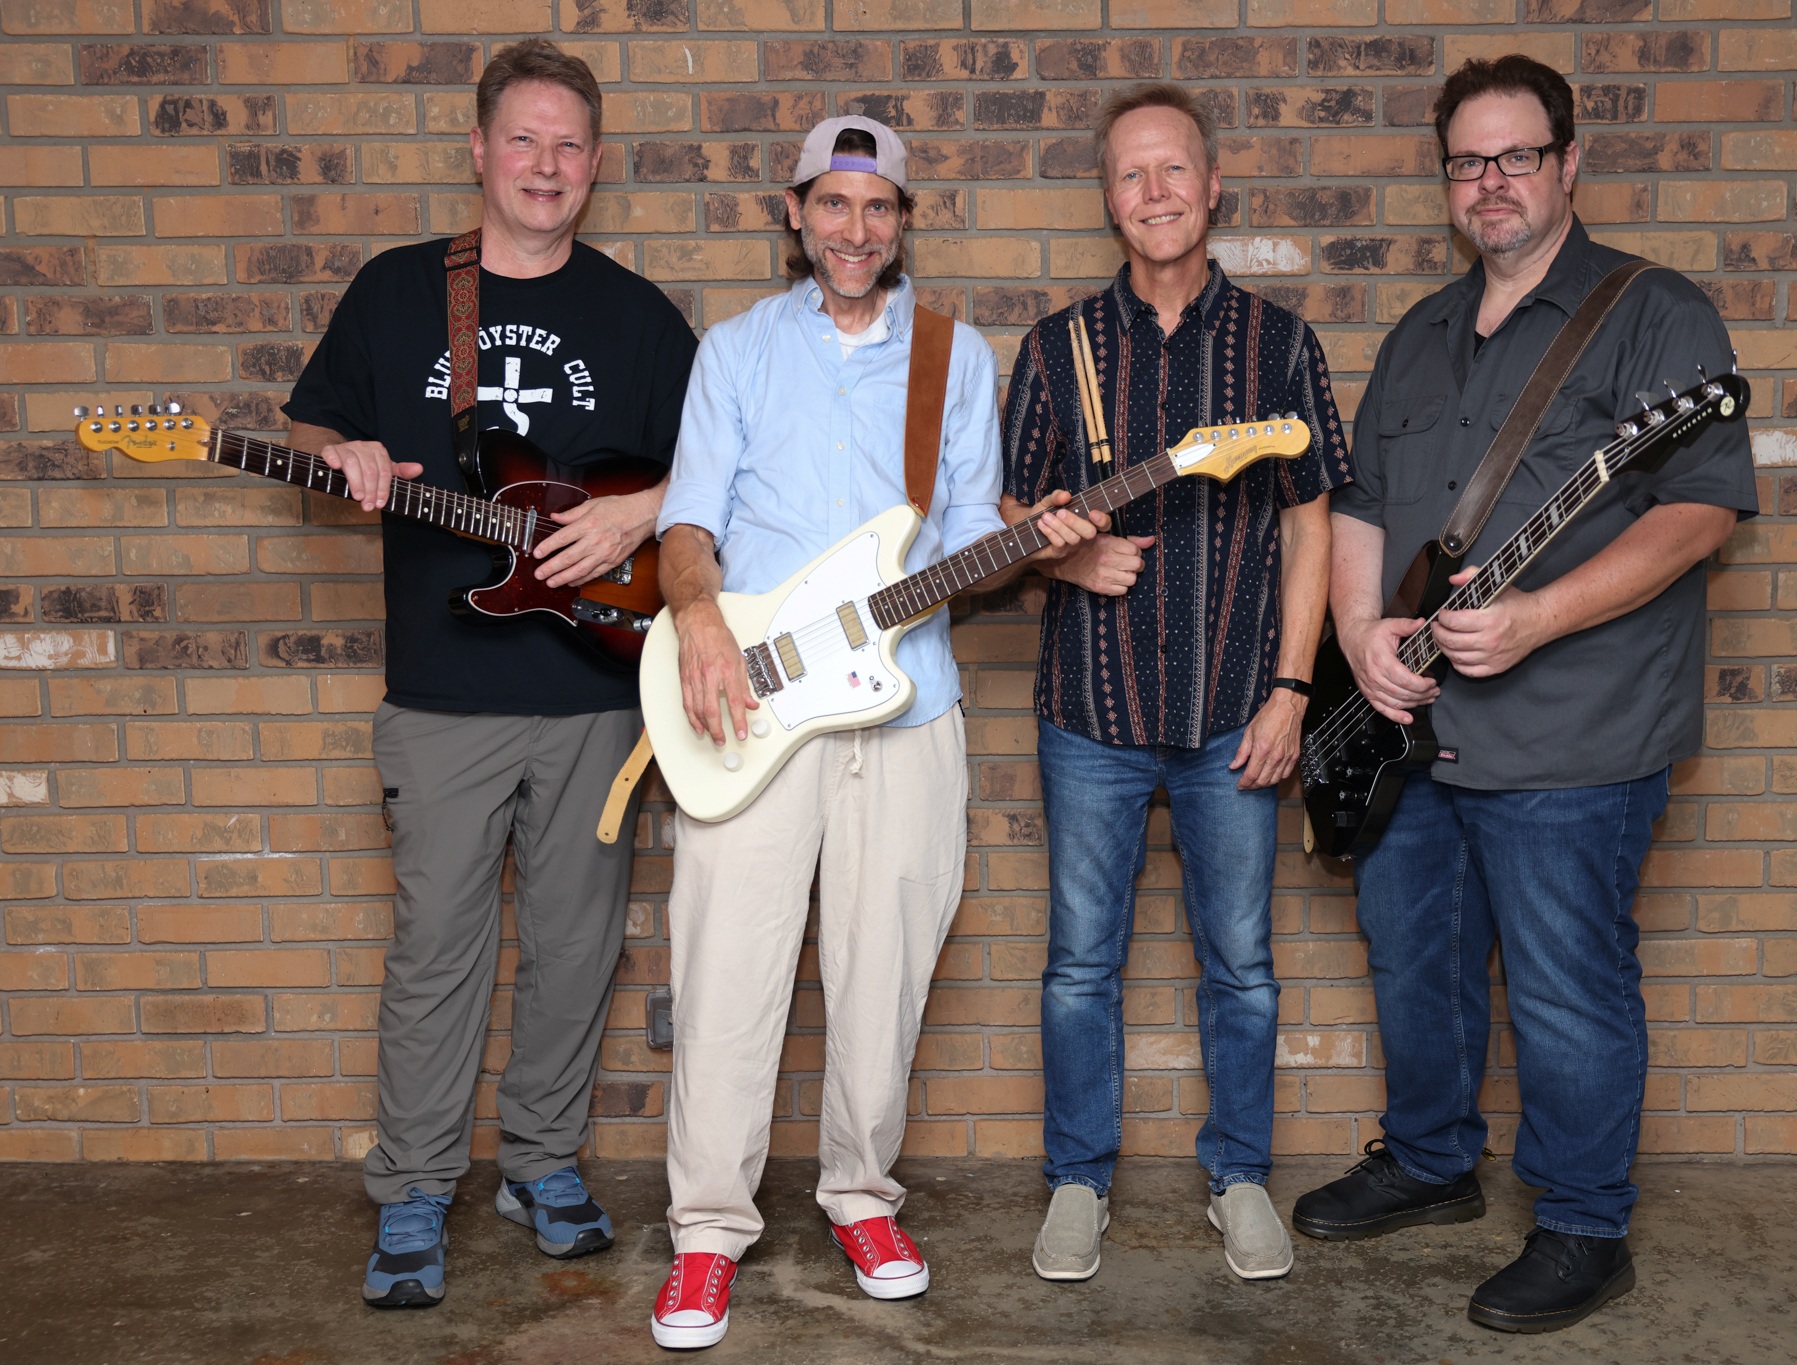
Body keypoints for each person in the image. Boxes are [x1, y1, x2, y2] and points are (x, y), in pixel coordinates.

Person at [1289, 54, 1756, 1332]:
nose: (1489, 182)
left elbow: (1703, 508)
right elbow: (1364, 515)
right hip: (1412, 732)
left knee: (1564, 983)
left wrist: (1540, 614)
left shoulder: (1655, 316)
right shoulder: (1419, 335)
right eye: (1466, 161)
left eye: (1515, 156)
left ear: (1564, 165)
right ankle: (1432, 1162)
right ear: (1445, 181)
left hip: (1574, 735)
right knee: (1416, 962)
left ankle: (1582, 1223)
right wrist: (1362, 639)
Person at [647, 115, 1100, 1351]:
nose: (855, 230)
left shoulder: (955, 358)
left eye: (878, 208)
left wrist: (1025, 540)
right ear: (792, 213)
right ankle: (705, 1234)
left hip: (907, 704)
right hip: (748, 702)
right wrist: (696, 621)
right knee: (728, 969)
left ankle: (860, 1196)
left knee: (882, 971)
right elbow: (688, 521)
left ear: (903, 221)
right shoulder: (734, 352)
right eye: (832, 205)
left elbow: (957, 533)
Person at [283, 39, 699, 1308]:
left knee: (576, 951)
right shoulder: (400, 293)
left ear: (594, 164)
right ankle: (412, 1187)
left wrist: (639, 519)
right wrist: (341, 451)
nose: (546, 165)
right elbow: (309, 422)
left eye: (569, 144)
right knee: (437, 953)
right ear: (478, 150)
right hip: (444, 694)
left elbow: (725, 476)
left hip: (595, 697)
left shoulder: (635, 315)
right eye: (524, 139)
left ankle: (541, 1164)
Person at [1000, 82, 1351, 1285]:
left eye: (1172, 171)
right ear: (1108, 199)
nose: (1152, 193)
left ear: (1211, 190)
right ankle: (1076, 1183)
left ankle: (1239, 1176)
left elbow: (1312, 525)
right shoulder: (1057, 347)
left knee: (1240, 968)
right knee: (1077, 969)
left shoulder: (1278, 345)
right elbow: (1011, 504)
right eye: (1128, 175)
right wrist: (1065, 545)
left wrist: (1293, 689)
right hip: (1088, 712)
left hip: (1231, 714)